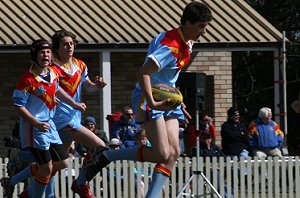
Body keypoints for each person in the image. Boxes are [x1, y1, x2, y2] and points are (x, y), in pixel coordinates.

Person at [83, 2, 213, 197]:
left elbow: (168, 74)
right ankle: (106, 155)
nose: (204, 31)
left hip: (165, 96)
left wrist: (178, 99)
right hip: (148, 96)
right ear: (187, 23)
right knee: (161, 153)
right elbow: (142, 73)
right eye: (201, 26)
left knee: (174, 152)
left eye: (205, 26)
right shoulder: (171, 46)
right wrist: (152, 102)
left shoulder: (187, 40)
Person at [1, 39, 86, 198]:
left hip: (49, 125)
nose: (46, 55)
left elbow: (57, 89)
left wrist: (74, 104)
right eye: (41, 52)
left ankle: (12, 178)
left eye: (48, 52)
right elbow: (19, 106)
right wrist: (36, 122)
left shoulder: (53, 72)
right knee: (46, 168)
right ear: (34, 55)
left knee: (62, 162)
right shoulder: (27, 79)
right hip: (34, 127)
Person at [51, 30, 107, 198]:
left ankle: (21, 184)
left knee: (56, 164)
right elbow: (52, 90)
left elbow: (88, 87)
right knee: (100, 146)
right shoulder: (53, 68)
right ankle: (81, 182)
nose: (70, 46)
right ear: (57, 48)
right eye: (65, 44)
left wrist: (97, 86)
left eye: (72, 43)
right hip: (61, 119)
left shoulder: (80, 65)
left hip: (74, 117)